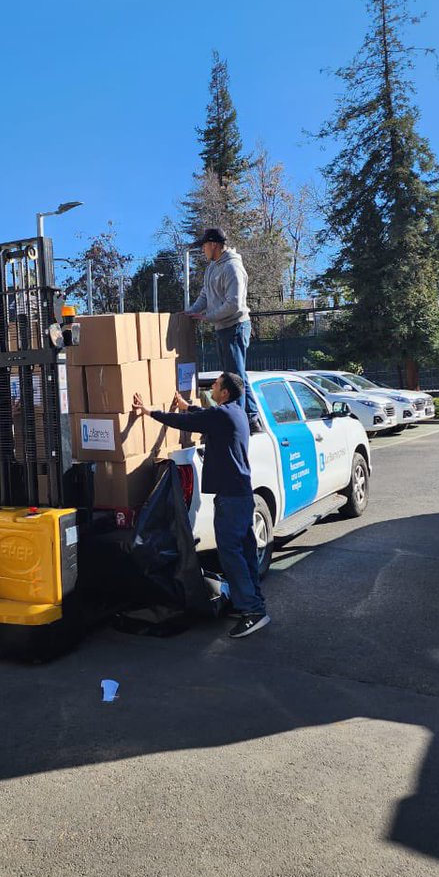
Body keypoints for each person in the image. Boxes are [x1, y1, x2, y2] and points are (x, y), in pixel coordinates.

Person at [133, 372, 269, 638]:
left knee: (231, 554)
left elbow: (189, 421)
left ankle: (252, 611)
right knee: (245, 551)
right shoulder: (234, 412)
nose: (213, 388)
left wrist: (150, 412)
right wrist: (188, 406)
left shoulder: (222, 415)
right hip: (239, 495)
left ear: (225, 392)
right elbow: (201, 417)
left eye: (216, 386)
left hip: (232, 497)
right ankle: (253, 603)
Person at [186, 226, 262, 433]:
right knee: (235, 373)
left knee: (234, 377)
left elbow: (234, 304)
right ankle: (251, 416)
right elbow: (205, 295)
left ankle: (241, 421)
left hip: (235, 326)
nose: (203, 250)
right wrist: (190, 312)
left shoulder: (232, 268)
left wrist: (207, 317)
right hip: (222, 327)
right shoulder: (212, 267)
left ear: (214, 245)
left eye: (204, 246)